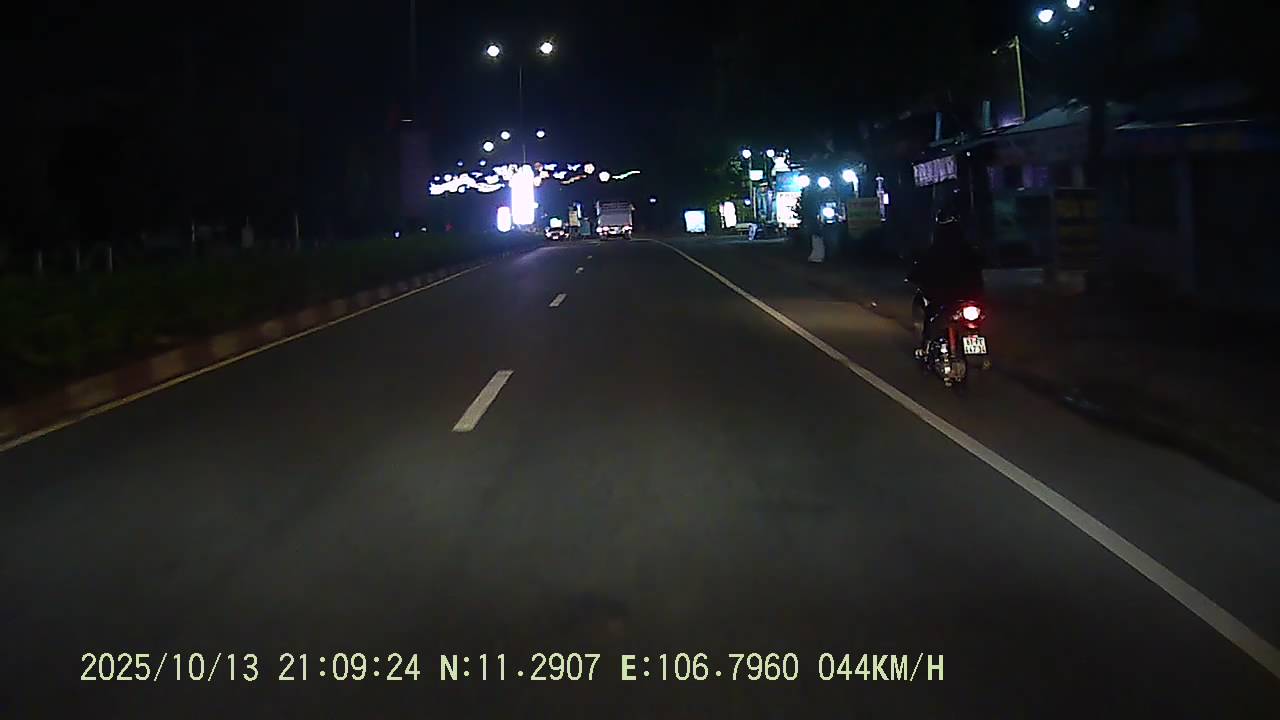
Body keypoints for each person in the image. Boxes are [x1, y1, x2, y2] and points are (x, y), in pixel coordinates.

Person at [909, 203, 984, 353]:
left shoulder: (937, 248)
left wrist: (914, 276)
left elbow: (923, 267)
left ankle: (926, 346)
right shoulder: (967, 248)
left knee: (930, 314)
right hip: (968, 296)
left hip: (946, 296)